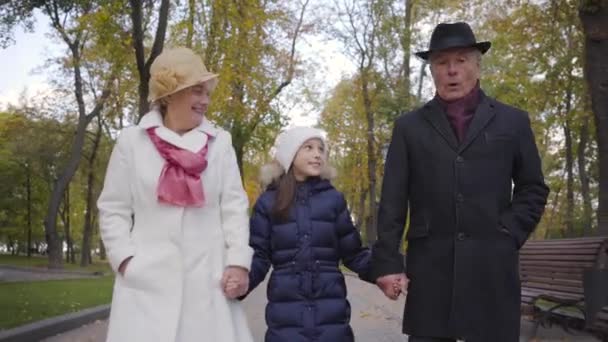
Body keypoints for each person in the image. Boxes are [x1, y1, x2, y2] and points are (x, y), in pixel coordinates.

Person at [371, 22, 550, 342]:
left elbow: (533, 186)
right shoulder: (409, 127)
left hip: (492, 266)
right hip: (430, 270)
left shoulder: (513, 121)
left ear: (477, 66)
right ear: (432, 71)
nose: (452, 70)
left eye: (461, 60)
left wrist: (509, 231)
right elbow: (393, 198)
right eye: (442, 62)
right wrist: (387, 263)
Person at [97, 47, 254, 342]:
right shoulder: (132, 142)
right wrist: (126, 261)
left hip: (209, 284)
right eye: (197, 91)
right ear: (169, 94)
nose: (205, 100)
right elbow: (113, 207)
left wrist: (237, 263)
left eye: (207, 92)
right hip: (146, 285)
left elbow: (234, 207)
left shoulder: (220, 143)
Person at [243, 126, 376, 341]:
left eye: (321, 149)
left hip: (331, 316)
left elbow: (353, 253)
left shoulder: (333, 199)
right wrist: (239, 284)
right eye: (309, 147)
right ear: (290, 154)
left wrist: (386, 271)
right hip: (285, 318)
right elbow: (258, 255)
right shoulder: (268, 202)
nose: (317, 154)